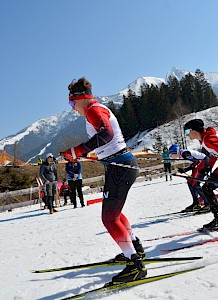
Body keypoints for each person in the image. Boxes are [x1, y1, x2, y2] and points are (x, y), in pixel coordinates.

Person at [60, 77, 146, 283]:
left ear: (80, 99)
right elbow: (105, 141)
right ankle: (136, 249)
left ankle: (134, 265)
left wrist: (76, 150)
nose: (73, 108)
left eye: (72, 103)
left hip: (120, 167)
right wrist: (83, 153)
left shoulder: (92, 110)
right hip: (118, 165)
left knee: (109, 218)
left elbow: (106, 134)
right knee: (114, 214)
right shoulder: (95, 109)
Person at [177, 149, 211, 213]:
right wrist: (185, 170)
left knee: (195, 184)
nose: (171, 156)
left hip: (204, 163)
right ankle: (196, 203)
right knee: (190, 182)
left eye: (171, 154)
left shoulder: (185, 154)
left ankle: (208, 204)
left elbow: (196, 161)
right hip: (202, 163)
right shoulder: (183, 153)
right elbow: (195, 162)